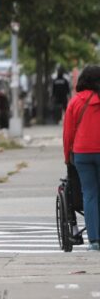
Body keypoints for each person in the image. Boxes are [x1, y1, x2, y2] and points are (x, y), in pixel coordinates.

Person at [62, 65, 100, 251]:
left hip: (82, 153)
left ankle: (94, 240)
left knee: (90, 194)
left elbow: (68, 133)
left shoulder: (76, 102)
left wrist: (67, 157)